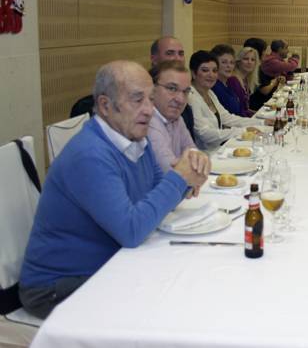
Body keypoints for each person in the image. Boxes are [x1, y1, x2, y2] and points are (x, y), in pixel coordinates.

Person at [19, 61, 210, 318]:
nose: (149, 110)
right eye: (137, 100)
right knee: (169, 305)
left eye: (150, 99)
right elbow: (131, 230)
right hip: (57, 287)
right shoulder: (90, 155)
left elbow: (157, 196)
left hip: (110, 261)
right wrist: (178, 179)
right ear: (105, 105)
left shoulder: (136, 138)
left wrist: (188, 179)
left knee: (190, 279)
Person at [188, 50, 262, 152]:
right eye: (205, 70)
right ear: (193, 73)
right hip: (203, 155)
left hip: (217, 149)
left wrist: (261, 122)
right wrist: (242, 131)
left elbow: (227, 118)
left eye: (214, 71)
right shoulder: (191, 97)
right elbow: (204, 134)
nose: (211, 75)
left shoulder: (209, 93)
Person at [147, 61, 197, 173]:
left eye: (186, 91)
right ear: (151, 89)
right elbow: (171, 171)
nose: (181, 100)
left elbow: (194, 155)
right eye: (172, 89)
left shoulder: (177, 117)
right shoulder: (147, 121)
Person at [150, 36, 195, 139]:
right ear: (154, 59)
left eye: (181, 54)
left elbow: (190, 146)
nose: (177, 59)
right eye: (170, 53)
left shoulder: (185, 110)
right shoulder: (146, 107)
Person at [210, 44, 241, 115]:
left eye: (232, 62)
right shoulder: (215, 87)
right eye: (224, 62)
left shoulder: (228, 84)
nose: (229, 66)